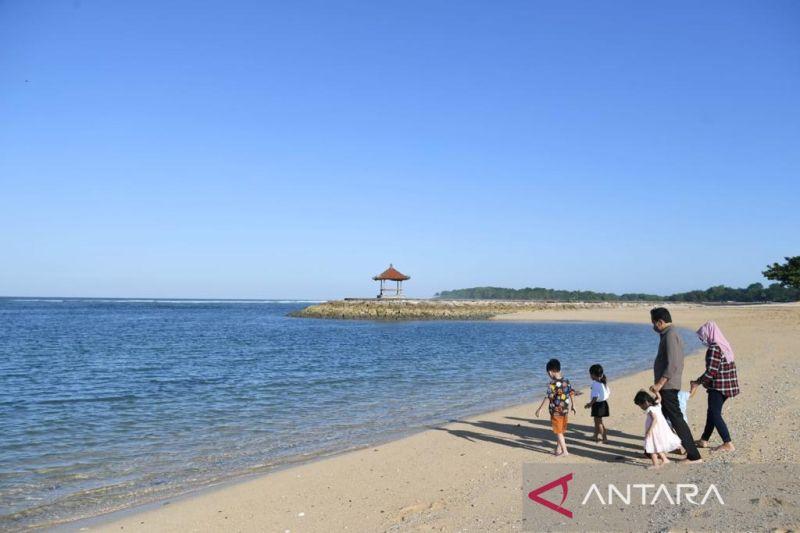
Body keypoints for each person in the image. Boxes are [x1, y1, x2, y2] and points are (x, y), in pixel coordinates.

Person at [649, 307, 703, 463]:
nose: (653, 327)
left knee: (676, 419)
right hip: (668, 385)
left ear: (660, 322)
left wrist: (660, 383)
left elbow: (673, 364)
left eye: (653, 323)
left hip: (668, 386)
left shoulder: (671, 335)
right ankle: (657, 450)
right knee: (663, 418)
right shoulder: (667, 335)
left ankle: (693, 455)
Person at [690, 321, 740, 453]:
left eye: (703, 336)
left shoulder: (714, 348)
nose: (702, 339)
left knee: (714, 413)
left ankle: (727, 443)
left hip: (719, 386)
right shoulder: (724, 345)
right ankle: (704, 439)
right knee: (711, 412)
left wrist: (697, 382)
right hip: (727, 385)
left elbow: (712, 371)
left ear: (709, 334)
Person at [535, 358, 576, 457]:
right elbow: (571, 393)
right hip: (565, 410)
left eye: (548, 373)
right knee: (561, 431)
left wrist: (540, 408)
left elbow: (547, 397)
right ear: (559, 369)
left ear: (550, 372)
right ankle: (558, 449)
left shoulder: (552, 384)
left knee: (558, 431)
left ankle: (565, 451)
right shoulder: (566, 381)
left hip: (556, 412)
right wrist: (574, 405)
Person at [634, 390, 682, 469]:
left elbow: (654, 419)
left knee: (651, 447)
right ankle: (665, 459)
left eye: (641, 405)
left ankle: (655, 464)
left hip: (654, 431)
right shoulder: (657, 404)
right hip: (660, 429)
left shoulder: (650, 409)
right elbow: (659, 398)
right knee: (657, 445)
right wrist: (656, 392)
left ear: (645, 402)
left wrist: (649, 430)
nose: (641, 408)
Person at [584, 364, 610, 443]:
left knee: (599, 423)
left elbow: (595, 397)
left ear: (593, 375)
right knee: (597, 421)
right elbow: (608, 393)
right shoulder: (603, 382)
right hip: (604, 404)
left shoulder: (595, 384)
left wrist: (589, 404)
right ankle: (595, 436)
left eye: (590, 374)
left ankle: (604, 438)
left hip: (597, 405)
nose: (590, 376)